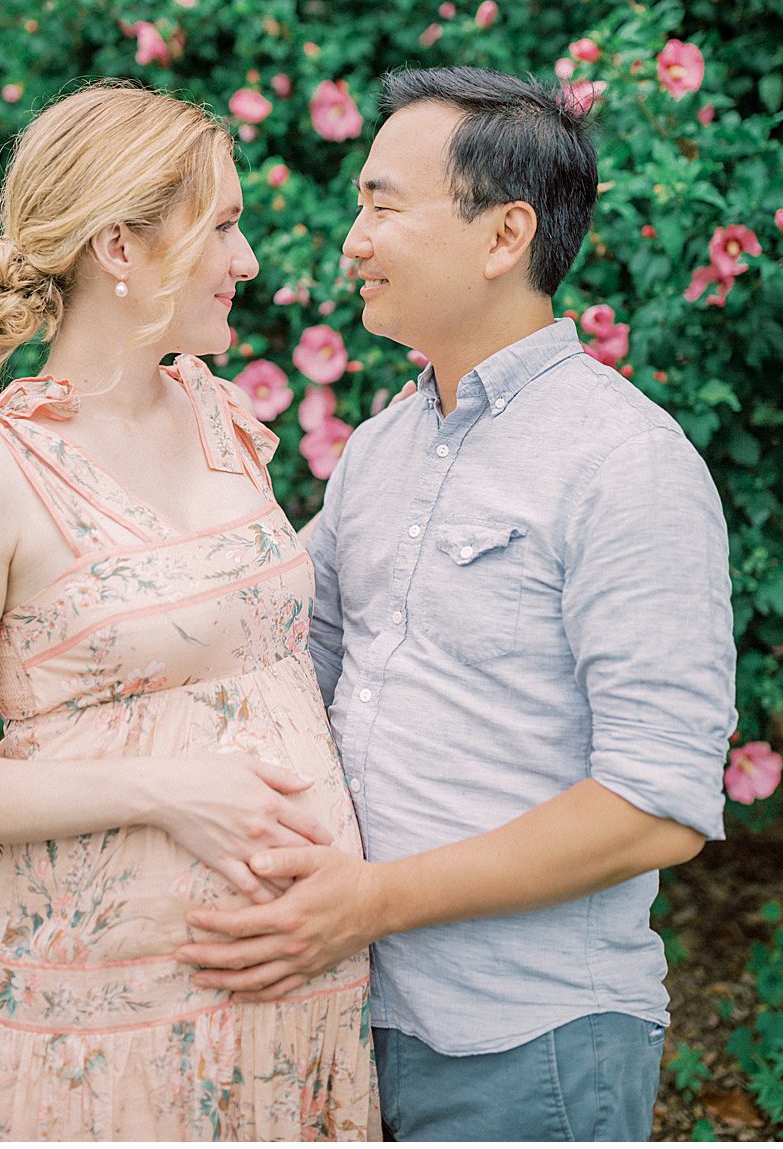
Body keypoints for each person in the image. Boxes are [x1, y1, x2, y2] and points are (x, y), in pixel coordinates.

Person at [176, 67, 738, 1142]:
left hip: (529, 1042)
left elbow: (655, 803)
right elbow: (288, 660)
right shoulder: (383, 444)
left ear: (502, 234)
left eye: (384, 204)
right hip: (343, 1012)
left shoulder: (626, 463)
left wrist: (371, 899)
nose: (353, 238)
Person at [0, 82, 379, 1142]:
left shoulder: (222, 414)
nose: (249, 262)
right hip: (108, 1031)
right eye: (223, 225)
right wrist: (168, 789)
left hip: (297, 995)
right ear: (120, 248)